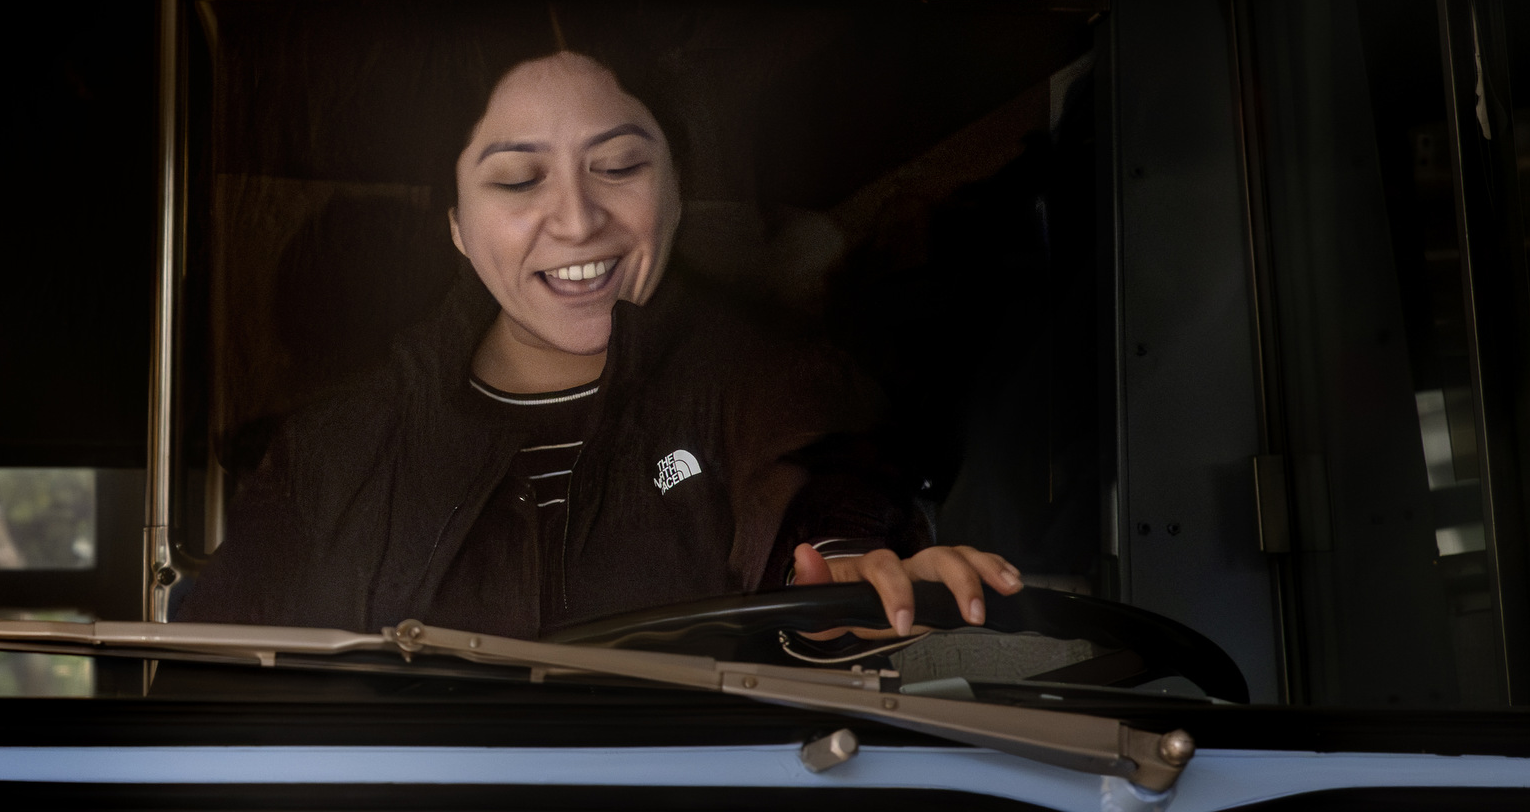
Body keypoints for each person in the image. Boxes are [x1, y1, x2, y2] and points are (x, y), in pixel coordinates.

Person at [181, 39, 1021, 642]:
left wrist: (850, 587)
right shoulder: (339, 453)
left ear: (677, 196)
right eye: (517, 179)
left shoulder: (768, 383)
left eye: (619, 167)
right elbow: (213, 711)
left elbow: (821, 498)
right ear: (457, 227)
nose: (579, 220)